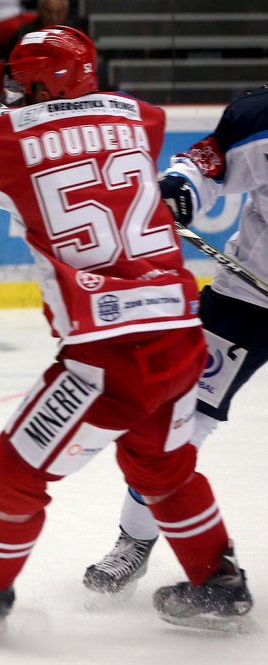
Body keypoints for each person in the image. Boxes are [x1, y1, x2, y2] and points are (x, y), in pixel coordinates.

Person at [0, 26, 252, 642]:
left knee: (8, 473)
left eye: (21, 81)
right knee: (162, 467)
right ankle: (219, 584)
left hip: (110, 354)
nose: (11, 91)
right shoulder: (137, 117)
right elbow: (92, 131)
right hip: (180, 333)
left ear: (46, 81)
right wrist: (32, 117)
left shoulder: (9, 134)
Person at [84, 84, 268, 596]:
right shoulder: (261, 117)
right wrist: (179, 190)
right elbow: (204, 164)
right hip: (248, 299)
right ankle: (135, 542)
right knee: (176, 423)